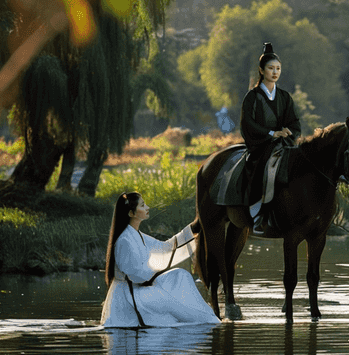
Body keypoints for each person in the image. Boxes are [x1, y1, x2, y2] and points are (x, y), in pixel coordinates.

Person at [101, 192, 220, 327]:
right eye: (142, 205)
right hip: (129, 296)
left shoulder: (138, 235)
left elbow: (164, 248)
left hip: (138, 288)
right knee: (170, 302)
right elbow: (135, 275)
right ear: (131, 214)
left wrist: (192, 230)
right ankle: (205, 320)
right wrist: (156, 271)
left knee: (180, 275)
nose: (147, 207)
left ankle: (206, 318)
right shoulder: (124, 240)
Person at [240, 42, 301, 232]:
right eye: (271, 68)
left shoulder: (284, 97)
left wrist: (289, 132)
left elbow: (294, 122)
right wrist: (271, 133)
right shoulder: (253, 97)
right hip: (261, 145)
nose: (275, 72)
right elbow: (247, 123)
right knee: (264, 167)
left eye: (278, 69)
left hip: (283, 144)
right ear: (261, 70)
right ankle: (260, 214)